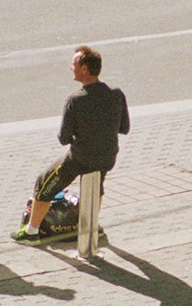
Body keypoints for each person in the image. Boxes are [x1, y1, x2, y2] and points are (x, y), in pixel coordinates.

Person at [12, 45, 130, 243]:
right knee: (96, 186)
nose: (71, 67)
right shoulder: (116, 94)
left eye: (74, 64)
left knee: (44, 183)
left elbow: (63, 138)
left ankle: (31, 232)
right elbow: (124, 128)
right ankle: (92, 225)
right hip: (108, 156)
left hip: (81, 157)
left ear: (84, 69)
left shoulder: (75, 100)